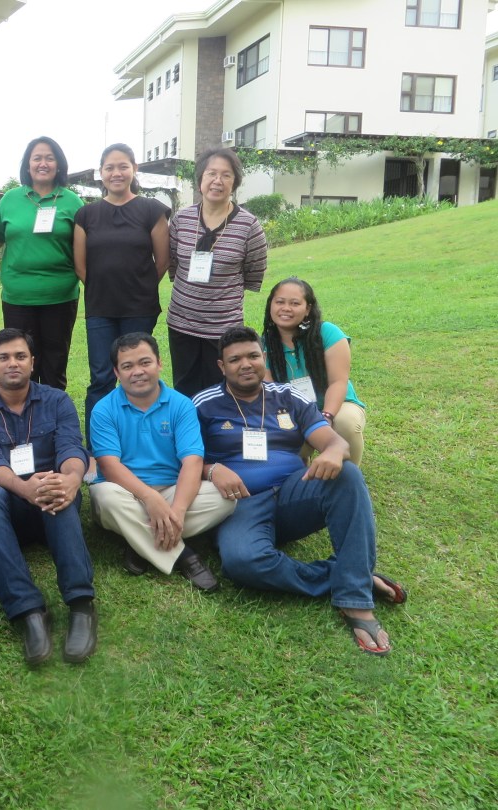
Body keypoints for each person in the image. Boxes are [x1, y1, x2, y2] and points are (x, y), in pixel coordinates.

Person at [193, 326, 405, 656]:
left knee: (346, 475)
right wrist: (212, 469)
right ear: (222, 366)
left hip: (295, 491)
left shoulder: (289, 396)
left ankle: (355, 601)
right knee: (242, 562)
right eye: (235, 359)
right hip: (241, 502)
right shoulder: (204, 404)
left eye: (252, 355)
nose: (245, 364)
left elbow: (330, 439)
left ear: (263, 357)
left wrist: (335, 450)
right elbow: (184, 458)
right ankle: (350, 574)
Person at [0, 328, 97, 665]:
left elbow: (70, 446)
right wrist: (25, 488)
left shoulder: (57, 400)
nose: (13, 363)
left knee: (58, 489)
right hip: (10, 510)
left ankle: (81, 605)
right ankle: (29, 612)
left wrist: (70, 479)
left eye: (20, 356)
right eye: (4, 358)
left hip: (55, 507)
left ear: (32, 362)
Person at [89, 333, 234, 590]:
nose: (138, 372)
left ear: (159, 363)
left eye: (145, 362)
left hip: (171, 490)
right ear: (116, 372)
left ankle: (138, 541)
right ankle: (185, 555)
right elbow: (109, 466)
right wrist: (149, 498)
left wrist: (177, 509)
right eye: (127, 366)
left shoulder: (181, 405)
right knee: (105, 497)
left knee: (225, 498)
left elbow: (192, 461)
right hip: (125, 493)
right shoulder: (103, 409)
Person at [74, 143, 170, 447]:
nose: (116, 173)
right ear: (100, 173)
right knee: (102, 377)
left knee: (139, 374)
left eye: (123, 166)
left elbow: (163, 261)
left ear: (134, 169)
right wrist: (105, 286)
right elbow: (80, 265)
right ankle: (97, 448)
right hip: (100, 307)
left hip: (139, 307)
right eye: (109, 168)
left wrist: (137, 286)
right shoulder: (86, 214)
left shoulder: (152, 209)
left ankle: (141, 442)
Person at [167, 148, 268, 397]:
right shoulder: (182, 219)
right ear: (200, 179)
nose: (217, 181)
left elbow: (254, 271)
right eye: (211, 173)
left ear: (235, 182)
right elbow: (173, 264)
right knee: (185, 389)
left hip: (223, 327)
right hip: (181, 322)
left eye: (226, 175)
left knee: (221, 392)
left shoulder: (249, 225)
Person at [0, 136, 84, 390]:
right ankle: (24, 423)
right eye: (37, 158)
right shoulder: (10, 199)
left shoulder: (72, 202)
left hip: (61, 297)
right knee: (21, 365)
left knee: (55, 365)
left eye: (49, 158)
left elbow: (85, 248)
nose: (43, 163)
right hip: (18, 298)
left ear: (59, 164)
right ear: (27, 164)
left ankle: (54, 423)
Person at [262, 277, 367, 464]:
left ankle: (351, 477)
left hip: (337, 405)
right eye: (279, 302)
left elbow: (338, 382)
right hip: (295, 410)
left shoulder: (327, 333)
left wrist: (326, 417)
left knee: (346, 423)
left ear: (308, 309)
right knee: (285, 435)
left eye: (295, 303)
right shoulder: (264, 345)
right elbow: (272, 392)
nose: (286, 308)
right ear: (271, 305)